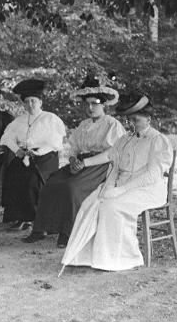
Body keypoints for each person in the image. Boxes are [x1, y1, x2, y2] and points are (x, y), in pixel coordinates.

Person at [61, 92, 174, 272]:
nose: (132, 124)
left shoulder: (158, 140)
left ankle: (123, 258)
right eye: (129, 120)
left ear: (148, 119)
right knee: (91, 202)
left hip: (148, 189)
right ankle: (90, 256)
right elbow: (113, 162)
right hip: (122, 185)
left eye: (136, 120)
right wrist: (109, 186)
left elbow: (152, 175)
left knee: (111, 207)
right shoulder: (125, 139)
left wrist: (121, 190)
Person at [23, 74, 126, 247]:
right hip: (79, 163)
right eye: (88, 104)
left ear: (104, 105)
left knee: (71, 188)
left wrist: (85, 163)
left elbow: (111, 154)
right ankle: (41, 229)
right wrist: (73, 160)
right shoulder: (84, 125)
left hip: (100, 166)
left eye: (95, 103)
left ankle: (68, 232)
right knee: (51, 182)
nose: (91, 107)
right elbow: (74, 149)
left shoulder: (112, 124)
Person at [0, 79, 66, 232]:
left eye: (33, 101)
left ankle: (33, 218)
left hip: (45, 157)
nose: (30, 105)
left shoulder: (50, 119)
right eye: (27, 102)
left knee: (31, 180)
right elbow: (7, 138)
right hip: (24, 156)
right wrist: (17, 150)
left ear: (40, 102)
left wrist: (37, 152)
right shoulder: (19, 121)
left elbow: (55, 143)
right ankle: (19, 217)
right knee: (12, 175)